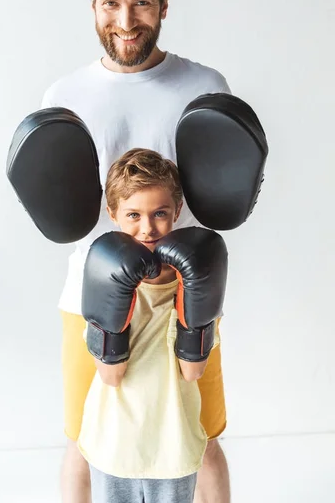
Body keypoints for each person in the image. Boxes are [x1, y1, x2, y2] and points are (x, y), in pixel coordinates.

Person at [41, 0, 231, 503]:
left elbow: (221, 197)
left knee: (203, 438)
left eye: (142, 2)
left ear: (164, 4)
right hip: (91, 297)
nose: (126, 19)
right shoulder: (65, 96)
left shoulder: (203, 88)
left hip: (183, 294)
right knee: (81, 437)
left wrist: (199, 286)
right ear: (95, 5)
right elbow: (59, 208)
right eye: (111, 3)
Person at [76, 147, 225, 503]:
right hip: (114, 442)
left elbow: (192, 372)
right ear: (112, 214)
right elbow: (110, 375)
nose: (148, 227)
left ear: (176, 211)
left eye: (160, 213)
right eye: (133, 215)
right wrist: (116, 294)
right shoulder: (101, 274)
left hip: (172, 442)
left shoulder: (194, 278)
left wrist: (195, 303)